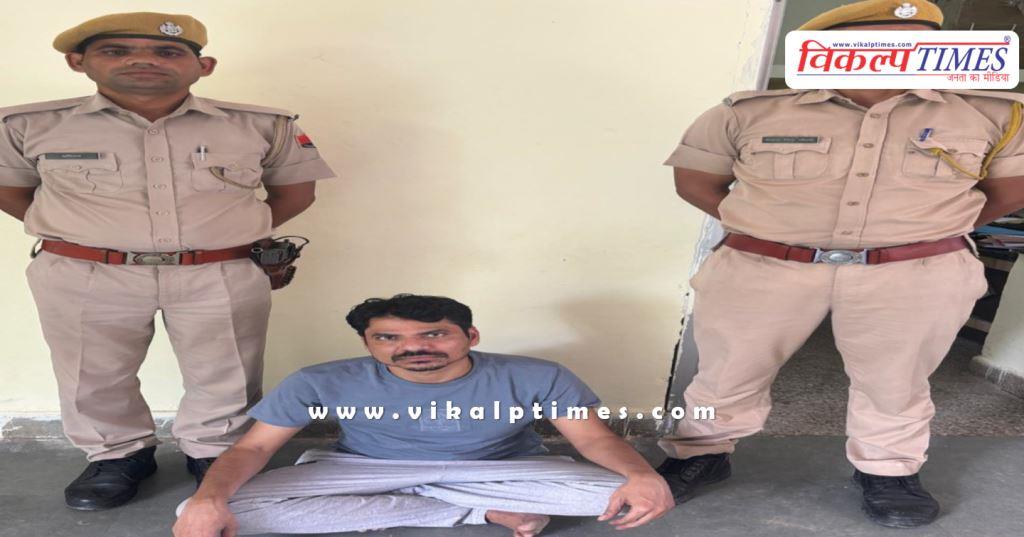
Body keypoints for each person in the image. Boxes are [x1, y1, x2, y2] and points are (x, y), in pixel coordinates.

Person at [654, 0, 1024, 529]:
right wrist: (769, 230)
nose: (894, 53)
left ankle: (888, 471)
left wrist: (927, 232)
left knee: (896, 381)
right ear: (826, 44)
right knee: (727, 370)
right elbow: (696, 182)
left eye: (914, 41)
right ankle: (700, 454)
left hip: (915, 272)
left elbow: (1009, 191)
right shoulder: (748, 112)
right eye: (876, 41)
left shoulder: (993, 115)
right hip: (764, 267)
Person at [0, 12, 336, 510]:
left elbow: (295, 193)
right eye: (116, 51)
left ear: (204, 66)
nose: (143, 60)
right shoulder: (26, 125)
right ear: (78, 62)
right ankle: (117, 455)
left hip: (219, 270)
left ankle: (215, 452)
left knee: (227, 369)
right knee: (92, 372)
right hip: (86, 272)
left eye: (167, 52)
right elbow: (11, 191)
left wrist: (225, 236)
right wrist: (88, 237)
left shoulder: (262, 125)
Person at [173, 294, 674, 537]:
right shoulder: (320, 380)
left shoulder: (536, 374)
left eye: (434, 334)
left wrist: (643, 475)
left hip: (501, 468)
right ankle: (472, 510)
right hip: (365, 469)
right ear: (368, 343)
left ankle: (444, 499)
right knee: (206, 511)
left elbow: (592, 440)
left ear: (469, 336)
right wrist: (207, 498)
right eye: (389, 338)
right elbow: (254, 447)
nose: (413, 348)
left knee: (623, 495)